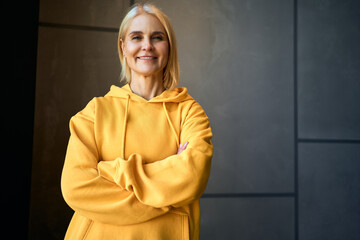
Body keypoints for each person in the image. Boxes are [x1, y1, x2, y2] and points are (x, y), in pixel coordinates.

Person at [61, 3, 213, 240]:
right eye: (136, 37)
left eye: (157, 37)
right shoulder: (95, 112)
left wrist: (109, 171)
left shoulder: (190, 113)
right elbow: (75, 187)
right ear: (123, 46)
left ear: (169, 46)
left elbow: (191, 178)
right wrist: (170, 195)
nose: (147, 46)